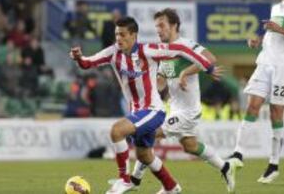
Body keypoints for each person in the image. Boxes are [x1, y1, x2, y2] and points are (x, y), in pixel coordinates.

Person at [70, 16, 218, 194]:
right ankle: (171, 187)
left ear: (134, 35)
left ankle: (124, 181)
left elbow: (179, 49)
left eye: (123, 34)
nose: (119, 38)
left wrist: (207, 66)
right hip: (137, 111)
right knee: (144, 155)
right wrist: (79, 58)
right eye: (117, 34)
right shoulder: (112, 52)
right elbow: (88, 63)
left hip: (153, 110)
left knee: (117, 131)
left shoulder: (148, 51)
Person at [123, 8, 236, 193]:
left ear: (174, 25)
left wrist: (185, 72)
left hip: (188, 111)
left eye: (162, 25)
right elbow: (160, 83)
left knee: (149, 132)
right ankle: (225, 167)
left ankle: (135, 180)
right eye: (156, 26)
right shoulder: (164, 52)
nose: (158, 30)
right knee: (190, 146)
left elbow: (209, 58)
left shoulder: (187, 45)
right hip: (174, 108)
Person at [229, 0, 284, 184]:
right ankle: (238, 154)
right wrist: (258, 41)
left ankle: (274, 164)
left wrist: (280, 29)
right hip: (265, 62)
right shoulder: (276, 7)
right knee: (252, 106)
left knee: (276, 113)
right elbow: (271, 35)